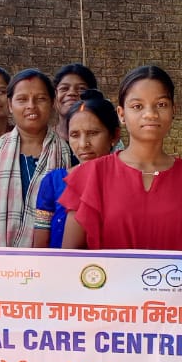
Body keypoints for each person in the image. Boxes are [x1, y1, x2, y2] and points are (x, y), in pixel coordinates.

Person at [60, 65, 182, 251]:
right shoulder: (90, 176)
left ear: (173, 110)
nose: (150, 114)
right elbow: (71, 258)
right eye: (137, 106)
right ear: (121, 114)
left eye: (161, 104)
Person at [0, 69, 73, 248]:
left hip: (53, 259)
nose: (31, 106)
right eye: (22, 99)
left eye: (40, 99)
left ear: (53, 102)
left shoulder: (69, 154)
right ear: (10, 105)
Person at [33, 88, 119, 249]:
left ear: (114, 136)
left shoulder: (126, 181)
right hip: (62, 265)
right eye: (75, 135)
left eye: (93, 133)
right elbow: (40, 246)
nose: (83, 144)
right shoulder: (54, 182)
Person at [52, 63, 98, 140]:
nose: (72, 93)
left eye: (81, 88)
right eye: (64, 88)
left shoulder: (105, 140)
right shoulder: (41, 140)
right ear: (54, 97)